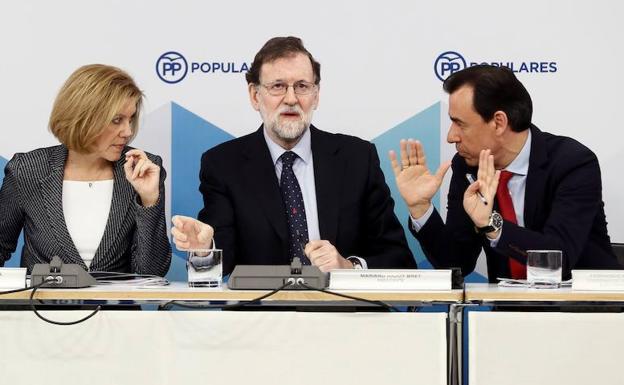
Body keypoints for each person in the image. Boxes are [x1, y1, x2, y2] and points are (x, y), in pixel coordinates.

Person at [172, 36, 415, 275]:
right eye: (278, 86)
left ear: (316, 95)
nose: (291, 99)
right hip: (261, 313)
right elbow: (225, 258)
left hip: (345, 311)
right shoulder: (223, 165)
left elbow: (398, 257)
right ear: (255, 96)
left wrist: (349, 268)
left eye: (302, 86)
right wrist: (205, 251)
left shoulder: (357, 158)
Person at [390, 65, 619, 282]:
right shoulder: (468, 166)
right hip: (506, 313)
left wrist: (491, 224)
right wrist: (421, 208)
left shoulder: (572, 163)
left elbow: (558, 261)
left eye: (460, 124)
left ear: (499, 122)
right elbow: (457, 262)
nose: (451, 136)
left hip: (582, 313)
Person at [0, 64, 171, 275]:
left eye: (130, 119)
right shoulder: (27, 170)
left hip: (115, 308)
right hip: (42, 307)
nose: (127, 131)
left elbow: (151, 272)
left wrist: (149, 199)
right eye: (116, 120)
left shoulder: (143, 169)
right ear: (83, 117)